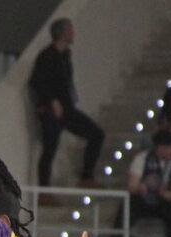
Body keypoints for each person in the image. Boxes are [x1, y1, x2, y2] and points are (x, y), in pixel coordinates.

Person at [29, 17, 104, 187]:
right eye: (70, 30)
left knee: (96, 134)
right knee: (49, 149)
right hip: (50, 111)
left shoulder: (65, 55)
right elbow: (36, 82)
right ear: (63, 33)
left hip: (67, 109)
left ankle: (86, 177)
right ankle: (44, 191)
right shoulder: (47, 56)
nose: (73, 33)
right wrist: (52, 101)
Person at [127, 130, 171, 237]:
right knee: (128, 206)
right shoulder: (141, 158)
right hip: (142, 198)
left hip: (163, 200)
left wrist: (164, 193)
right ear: (160, 147)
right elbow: (132, 186)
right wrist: (140, 188)